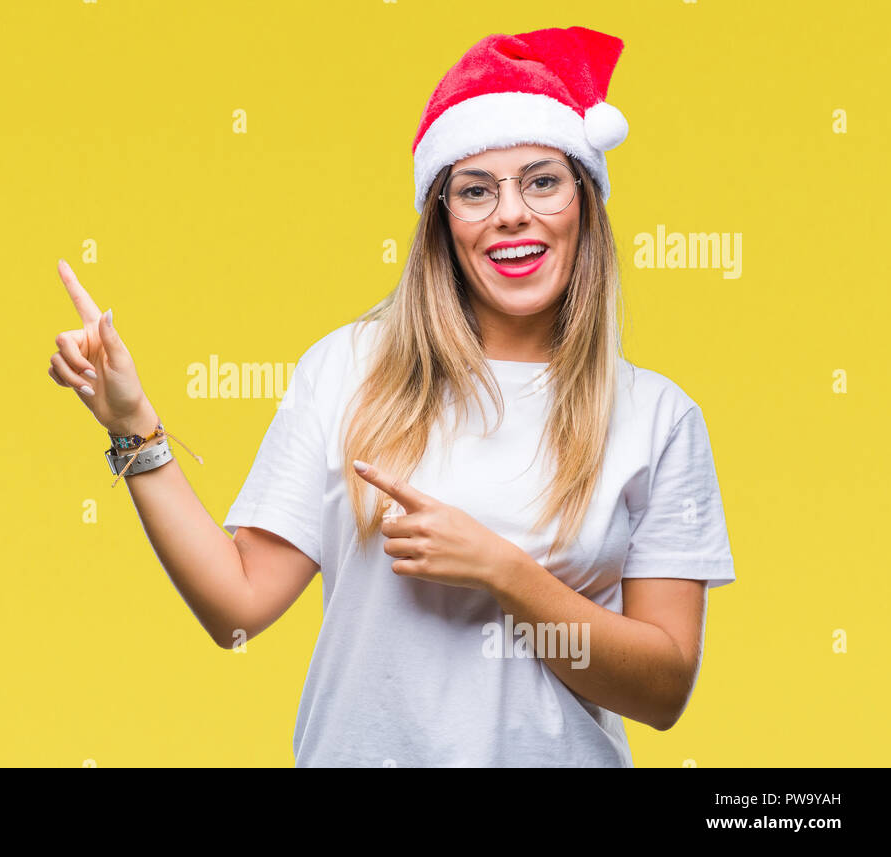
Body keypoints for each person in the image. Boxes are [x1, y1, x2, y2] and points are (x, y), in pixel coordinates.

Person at [47, 25, 735, 767]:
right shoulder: (347, 370)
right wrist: (133, 425)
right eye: (475, 190)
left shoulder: (658, 418)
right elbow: (236, 606)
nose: (511, 212)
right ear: (443, 222)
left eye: (542, 180)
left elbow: (663, 689)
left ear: (584, 203)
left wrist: (501, 570)